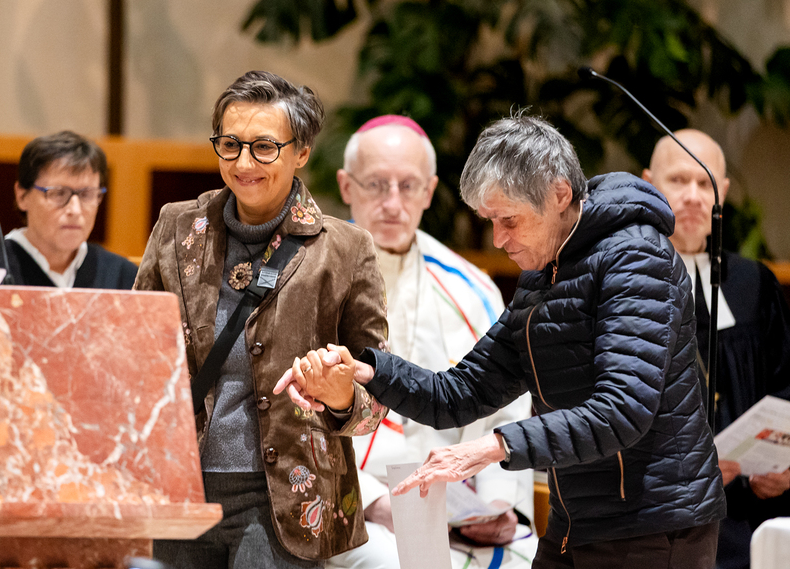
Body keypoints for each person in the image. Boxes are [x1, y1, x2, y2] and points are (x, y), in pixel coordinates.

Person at [278, 113, 727, 568]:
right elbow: (460, 393)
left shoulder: (635, 257)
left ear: (559, 194)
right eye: (491, 220)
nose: (498, 239)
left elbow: (622, 410)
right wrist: (367, 370)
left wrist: (492, 448)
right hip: (578, 520)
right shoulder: (542, 274)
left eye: (508, 220)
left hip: (654, 522)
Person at [135, 70, 389, 568]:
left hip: (286, 501)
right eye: (230, 145)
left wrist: (341, 396)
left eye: (265, 148)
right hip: (177, 488)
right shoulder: (177, 227)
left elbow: (376, 400)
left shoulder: (345, 249)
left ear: (302, 152)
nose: (243, 163)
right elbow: (133, 351)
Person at [326, 115, 536, 569]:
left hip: (455, 507)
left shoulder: (471, 288)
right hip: (352, 504)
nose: (393, 203)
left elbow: (506, 406)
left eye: (408, 186)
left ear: (429, 191)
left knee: (526, 559)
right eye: (376, 185)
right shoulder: (310, 278)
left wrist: (497, 504)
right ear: (346, 186)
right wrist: (375, 502)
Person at [642, 130, 790, 569]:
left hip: (748, 519)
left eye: (704, 183)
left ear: (722, 193)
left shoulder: (752, 284)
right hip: (655, 526)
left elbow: (786, 385)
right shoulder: (623, 283)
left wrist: (782, 469)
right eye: (677, 180)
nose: (692, 196)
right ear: (648, 185)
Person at [0, 131, 137, 289]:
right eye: (59, 193)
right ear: (22, 196)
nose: (75, 210)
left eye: (87, 194)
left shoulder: (125, 278)